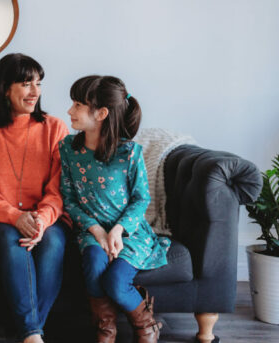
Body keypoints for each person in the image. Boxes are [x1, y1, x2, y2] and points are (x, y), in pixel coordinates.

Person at [0, 53, 71, 343]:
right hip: (1, 219)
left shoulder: (55, 128)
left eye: (38, 83)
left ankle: (30, 332)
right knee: (13, 245)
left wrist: (41, 220)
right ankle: (32, 333)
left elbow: (59, 186)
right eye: (26, 84)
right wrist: (15, 216)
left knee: (53, 242)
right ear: (4, 89)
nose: (35, 92)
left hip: (45, 217)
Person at [59, 75, 171, 343]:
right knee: (95, 266)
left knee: (116, 282)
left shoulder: (129, 153)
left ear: (101, 113)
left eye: (77, 104)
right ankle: (105, 331)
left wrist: (118, 230)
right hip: (90, 231)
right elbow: (69, 198)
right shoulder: (67, 149)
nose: (69, 111)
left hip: (130, 233)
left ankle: (147, 327)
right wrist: (97, 231)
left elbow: (141, 199)